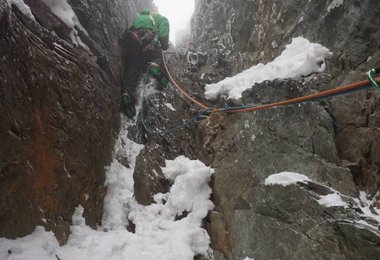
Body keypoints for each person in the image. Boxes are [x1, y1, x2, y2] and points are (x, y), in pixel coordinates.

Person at [119, 9, 170, 118]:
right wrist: (164, 43)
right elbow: (164, 22)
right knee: (157, 55)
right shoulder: (153, 16)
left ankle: (127, 93)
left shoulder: (136, 20)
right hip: (148, 38)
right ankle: (154, 65)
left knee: (132, 70)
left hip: (135, 42)